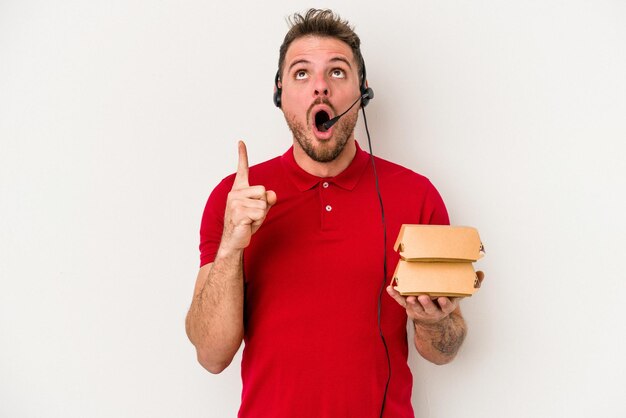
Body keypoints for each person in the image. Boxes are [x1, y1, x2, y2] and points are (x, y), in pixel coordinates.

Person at [185, 9, 483, 418]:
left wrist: (434, 321)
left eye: (338, 73)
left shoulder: (417, 196)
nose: (320, 88)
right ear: (280, 93)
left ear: (362, 91)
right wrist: (232, 247)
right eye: (302, 74)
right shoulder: (235, 199)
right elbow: (211, 355)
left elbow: (442, 353)